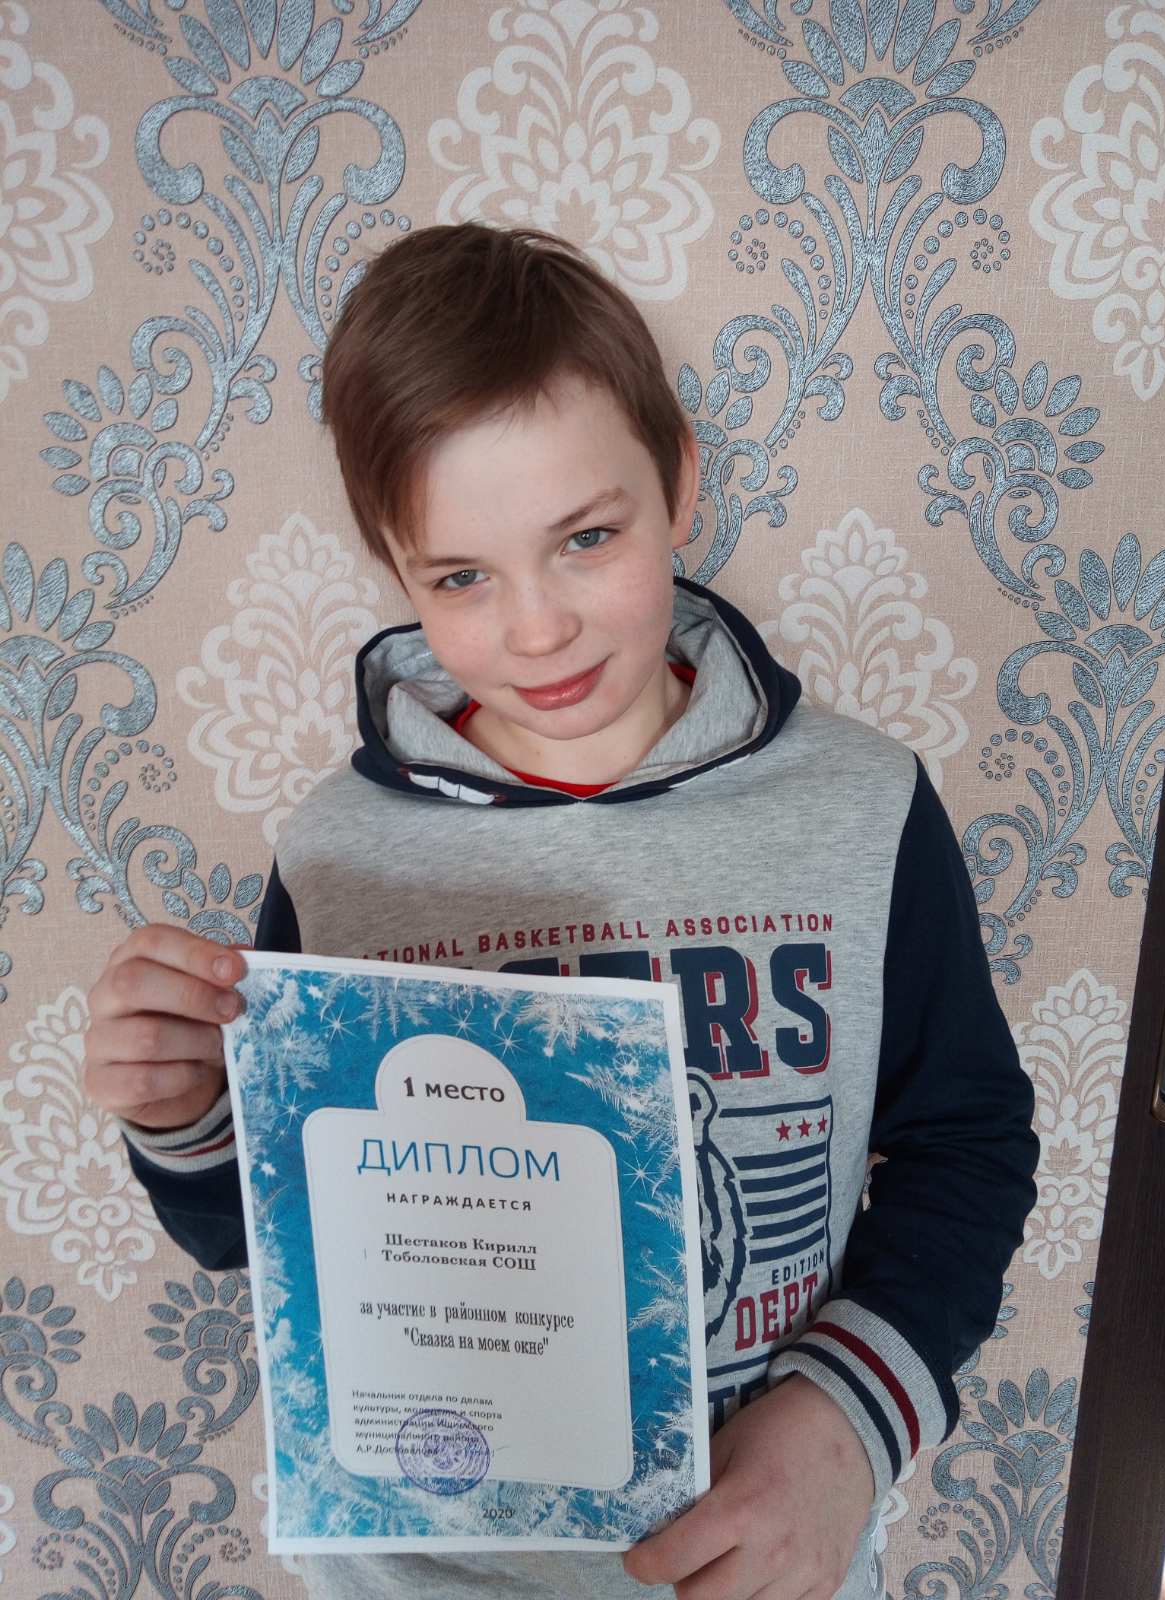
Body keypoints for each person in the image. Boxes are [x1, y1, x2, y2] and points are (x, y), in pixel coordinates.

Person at [83, 222, 1038, 1600]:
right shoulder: (340, 854)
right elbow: (264, 1234)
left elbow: (968, 1147)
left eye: (587, 538)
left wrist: (843, 1428)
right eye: (460, 576)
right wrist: (184, 1114)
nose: (536, 630)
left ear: (680, 484)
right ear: (393, 565)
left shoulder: (865, 806)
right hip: (420, 1569)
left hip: (761, 1553)